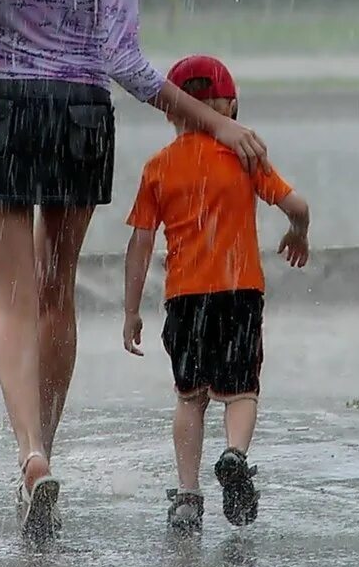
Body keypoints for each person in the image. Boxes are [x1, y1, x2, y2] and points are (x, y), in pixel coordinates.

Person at [0, 0, 270, 541]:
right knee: (54, 289)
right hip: (78, 115)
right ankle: (50, 450)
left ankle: (30, 457)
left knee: (9, 300)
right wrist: (211, 119)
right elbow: (120, 56)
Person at [121, 54, 310, 532]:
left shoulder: (158, 168)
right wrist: (298, 232)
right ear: (229, 107)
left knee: (190, 398)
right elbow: (297, 205)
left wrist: (130, 310)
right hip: (239, 290)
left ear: (171, 111)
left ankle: (187, 495)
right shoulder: (246, 157)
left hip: (184, 298)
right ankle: (234, 455)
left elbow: (141, 242)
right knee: (241, 391)